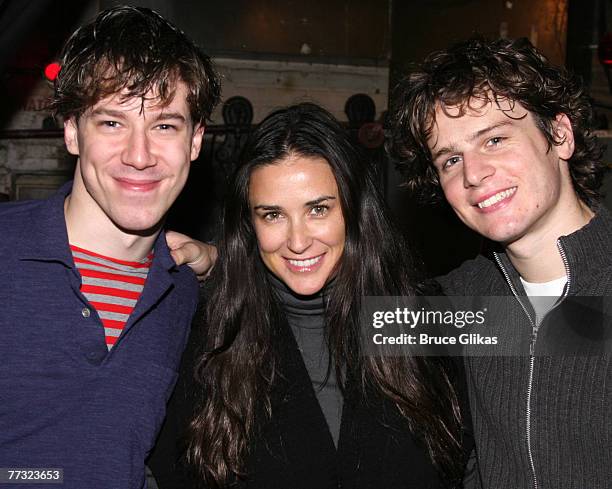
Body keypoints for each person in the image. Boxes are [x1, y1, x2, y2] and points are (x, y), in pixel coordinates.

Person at [149, 103, 468, 488]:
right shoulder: (205, 337)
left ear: (354, 209)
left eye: (317, 209)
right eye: (272, 215)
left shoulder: (427, 317)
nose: (298, 242)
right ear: (250, 224)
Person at [0, 6, 220, 488]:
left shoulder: (182, 291)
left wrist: (215, 260)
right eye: (112, 123)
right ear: (72, 132)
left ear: (196, 141)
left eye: (165, 125)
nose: (139, 156)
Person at [388, 36, 612, 488]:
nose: (473, 174)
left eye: (494, 139)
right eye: (450, 159)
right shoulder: (459, 303)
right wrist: (219, 265)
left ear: (560, 135)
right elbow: (336, 325)